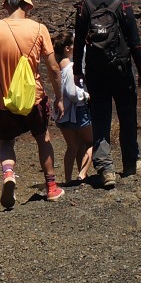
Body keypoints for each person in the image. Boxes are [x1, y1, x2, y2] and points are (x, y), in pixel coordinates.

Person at [0, 0, 62, 209]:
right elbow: (53, 68)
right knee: (42, 138)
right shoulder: (39, 29)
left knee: (7, 142)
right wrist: (59, 97)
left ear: (6, 5)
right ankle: (52, 188)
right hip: (34, 98)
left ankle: (8, 174)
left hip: (3, 101)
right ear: (28, 5)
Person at [72, 0, 141, 188]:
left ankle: (106, 169)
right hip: (121, 70)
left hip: (96, 72)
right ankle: (130, 163)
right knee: (127, 115)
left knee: (100, 118)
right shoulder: (123, 5)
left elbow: (78, 44)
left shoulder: (84, 6)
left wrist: (78, 70)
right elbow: (135, 43)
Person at [53, 34, 93, 187]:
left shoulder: (58, 68)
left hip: (63, 115)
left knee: (73, 146)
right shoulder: (70, 69)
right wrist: (87, 95)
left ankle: (69, 178)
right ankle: (82, 175)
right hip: (78, 111)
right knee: (92, 142)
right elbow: (73, 93)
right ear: (67, 48)